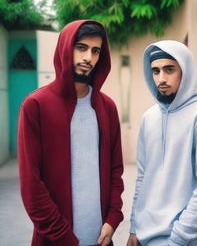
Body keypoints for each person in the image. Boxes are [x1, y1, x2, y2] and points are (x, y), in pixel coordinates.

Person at [18, 20, 124, 246]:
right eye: (82, 48)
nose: (89, 58)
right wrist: (65, 238)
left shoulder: (107, 108)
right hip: (56, 240)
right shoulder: (36, 105)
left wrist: (113, 217)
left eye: (96, 51)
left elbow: (116, 169)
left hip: (101, 238)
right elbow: (31, 185)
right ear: (66, 48)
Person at [126, 40, 197, 246]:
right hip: (143, 237)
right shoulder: (149, 117)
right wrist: (135, 227)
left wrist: (179, 238)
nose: (161, 78)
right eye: (155, 71)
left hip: (180, 239)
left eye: (169, 69)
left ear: (184, 71)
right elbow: (143, 176)